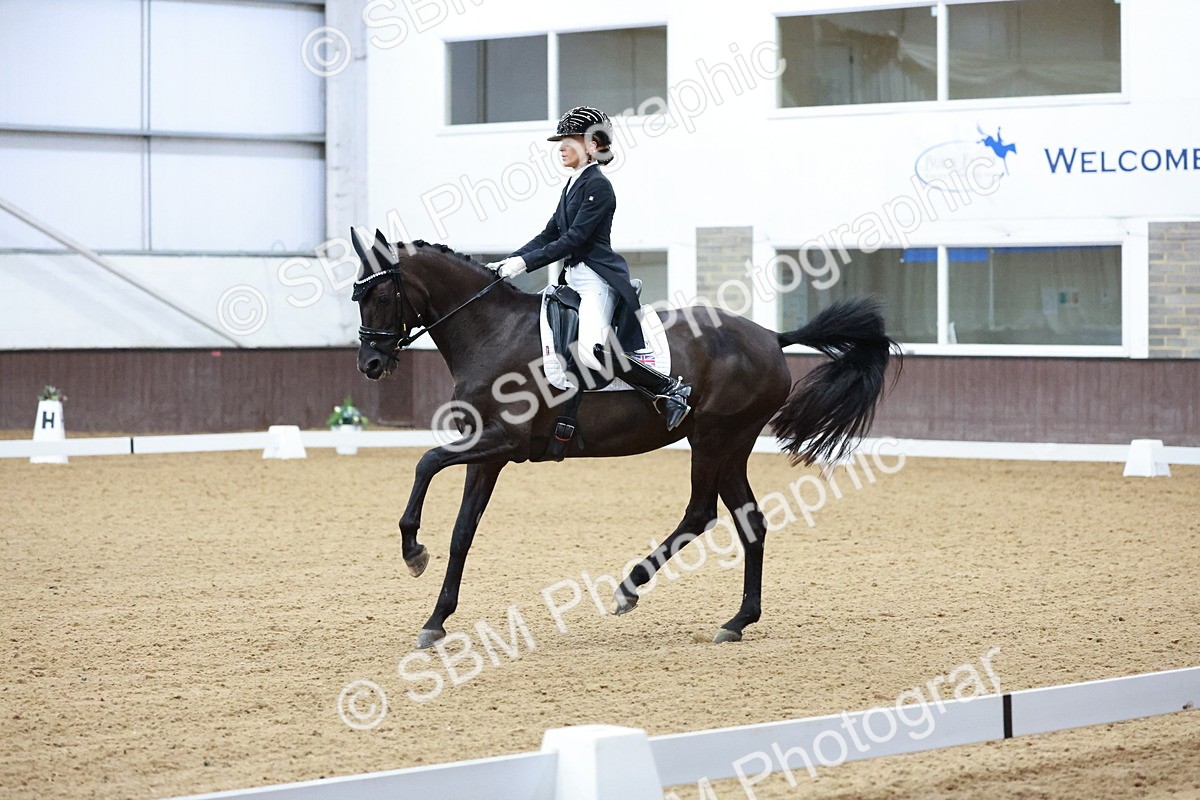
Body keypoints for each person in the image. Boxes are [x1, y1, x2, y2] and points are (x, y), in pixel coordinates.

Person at [486, 106, 692, 430]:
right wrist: (507, 261)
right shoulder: (571, 186)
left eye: (571, 139)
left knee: (592, 352)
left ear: (593, 145)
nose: (562, 147)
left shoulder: (599, 186)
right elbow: (548, 234)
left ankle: (670, 389)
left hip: (597, 279)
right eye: (561, 140)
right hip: (575, 279)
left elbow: (573, 239)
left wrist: (523, 265)